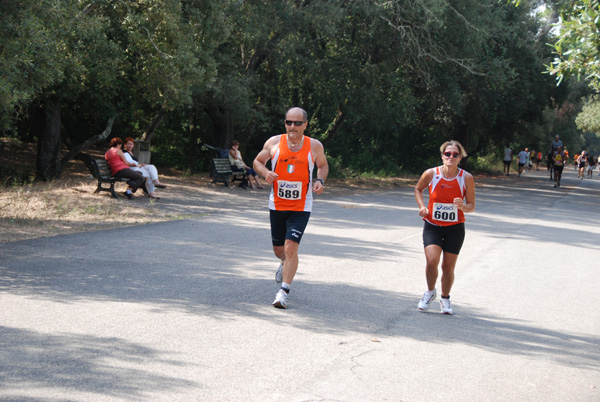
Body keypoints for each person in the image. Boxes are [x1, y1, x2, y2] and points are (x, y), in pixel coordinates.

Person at [253, 107, 328, 309]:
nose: (292, 127)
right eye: (288, 122)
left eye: (296, 123)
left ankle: (283, 292)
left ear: (305, 124)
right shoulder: (274, 142)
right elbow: (258, 162)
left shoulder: (314, 146)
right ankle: (284, 263)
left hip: (301, 205)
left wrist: (319, 180)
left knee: (291, 246)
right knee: (279, 250)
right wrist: (266, 172)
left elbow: (322, 165)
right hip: (277, 204)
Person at [414, 140, 476, 315]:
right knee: (432, 261)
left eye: (455, 154)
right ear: (442, 156)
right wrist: (422, 207)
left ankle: (445, 298)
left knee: (448, 267)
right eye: (447, 154)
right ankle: (429, 292)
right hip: (432, 225)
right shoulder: (431, 173)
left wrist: (463, 206)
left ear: (460, 157)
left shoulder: (466, 178)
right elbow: (418, 189)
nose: (451, 157)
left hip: (455, 228)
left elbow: (472, 205)